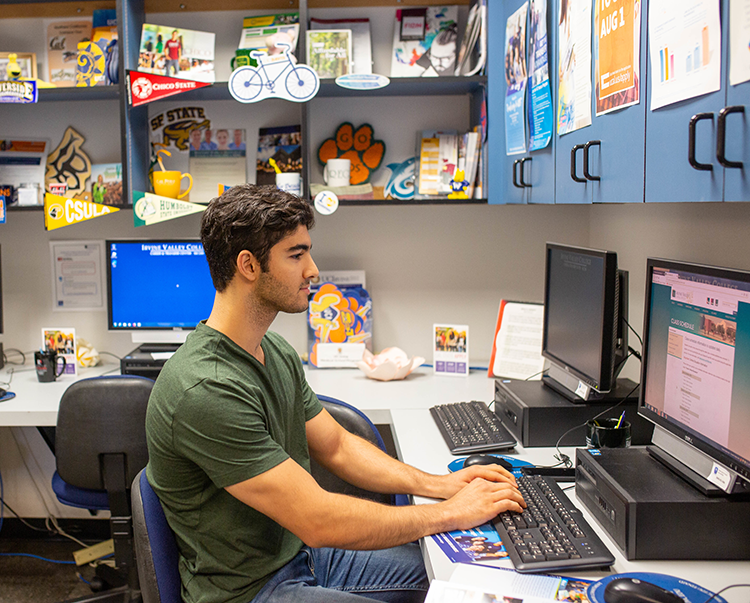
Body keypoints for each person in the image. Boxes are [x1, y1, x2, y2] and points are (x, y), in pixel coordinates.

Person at [146, 184, 525, 603]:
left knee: (462, 578)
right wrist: (452, 512)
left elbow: (339, 446)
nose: (313, 270)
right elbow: (319, 519)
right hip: (251, 590)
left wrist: (442, 485)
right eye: (296, 254)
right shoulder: (205, 388)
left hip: (304, 557)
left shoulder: (272, 350)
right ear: (248, 266)